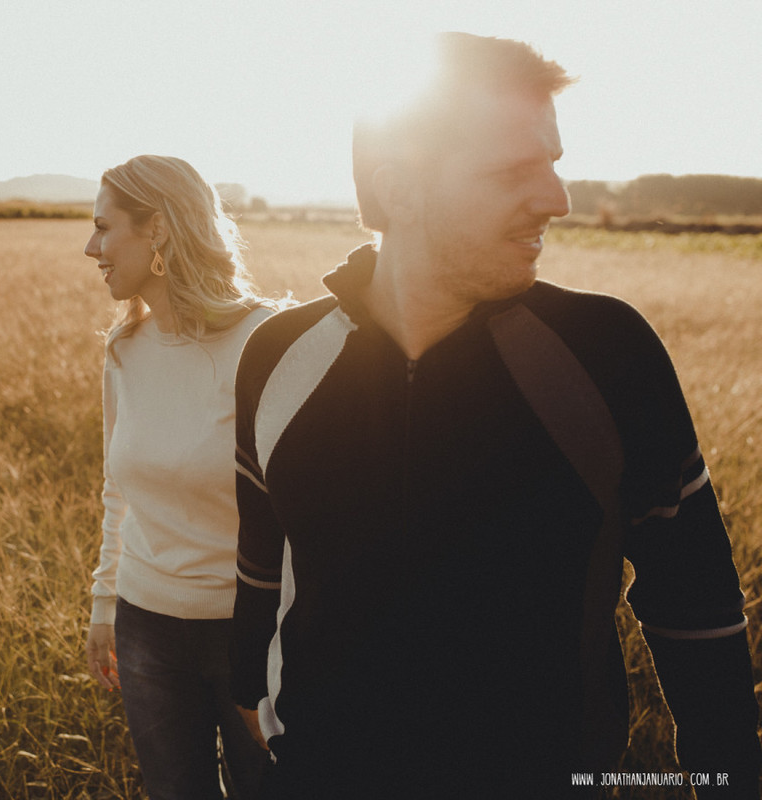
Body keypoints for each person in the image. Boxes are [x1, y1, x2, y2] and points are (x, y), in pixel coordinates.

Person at [231, 33, 761, 798]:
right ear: (399, 188)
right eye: (516, 170)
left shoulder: (607, 354)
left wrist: (728, 778)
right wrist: (249, 693)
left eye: (553, 160)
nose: (558, 198)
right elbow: (261, 551)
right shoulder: (277, 357)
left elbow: (695, 600)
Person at [83, 154, 274, 799]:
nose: (91, 248)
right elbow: (117, 489)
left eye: (104, 228)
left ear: (158, 229)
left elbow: (305, 511)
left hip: (249, 632)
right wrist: (104, 602)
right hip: (145, 625)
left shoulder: (267, 342)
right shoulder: (124, 349)